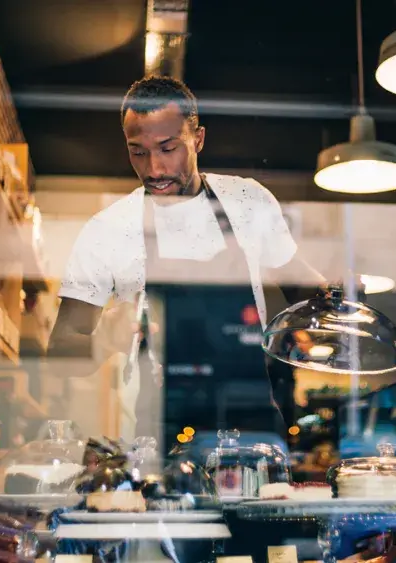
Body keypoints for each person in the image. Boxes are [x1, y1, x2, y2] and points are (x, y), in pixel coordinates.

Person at [51, 75, 324, 442]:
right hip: (154, 439)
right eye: (138, 152)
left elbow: (302, 289)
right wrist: (106, 335)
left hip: (252, 432)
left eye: (168, 148)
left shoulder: (248, 201)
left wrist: (337, 292)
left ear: (198, 139)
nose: (154, 169)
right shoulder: (108, 229)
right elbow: (60, 347)